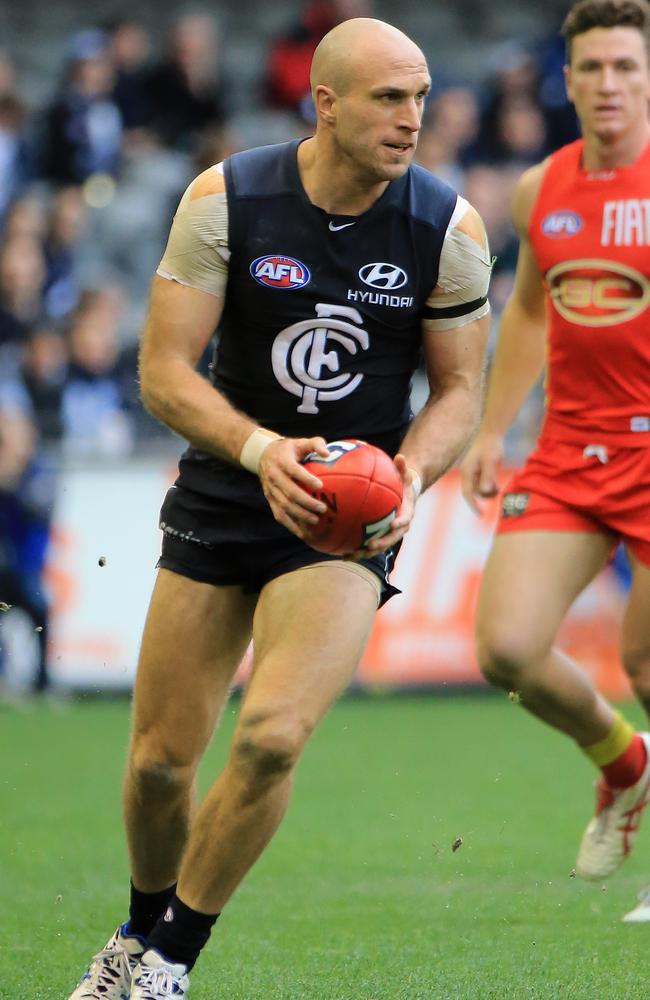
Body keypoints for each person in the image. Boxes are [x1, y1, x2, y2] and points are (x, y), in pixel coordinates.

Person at [69, 17, 491, 999]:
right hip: (228, 483)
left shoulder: (448, 229)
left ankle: (168, 964)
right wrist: (261, 452)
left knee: (269, 736)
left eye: (420, 96)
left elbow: (460, 391)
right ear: (326, 101)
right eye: (388, 97)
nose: (411, 118)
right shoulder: (225, 199)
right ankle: (136, 928)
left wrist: (412, 476)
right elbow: (162, 371)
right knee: (161, 765)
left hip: (347, 522)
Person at [461, 0, 650, 923]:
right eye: (592, 69)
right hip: (573, 446)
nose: (608, 84)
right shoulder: (543, 188)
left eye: (625, 66)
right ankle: (625, 763)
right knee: (505, 647)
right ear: (567, 79)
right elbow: (532, 309)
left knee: (648, 665)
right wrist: (495, 430)